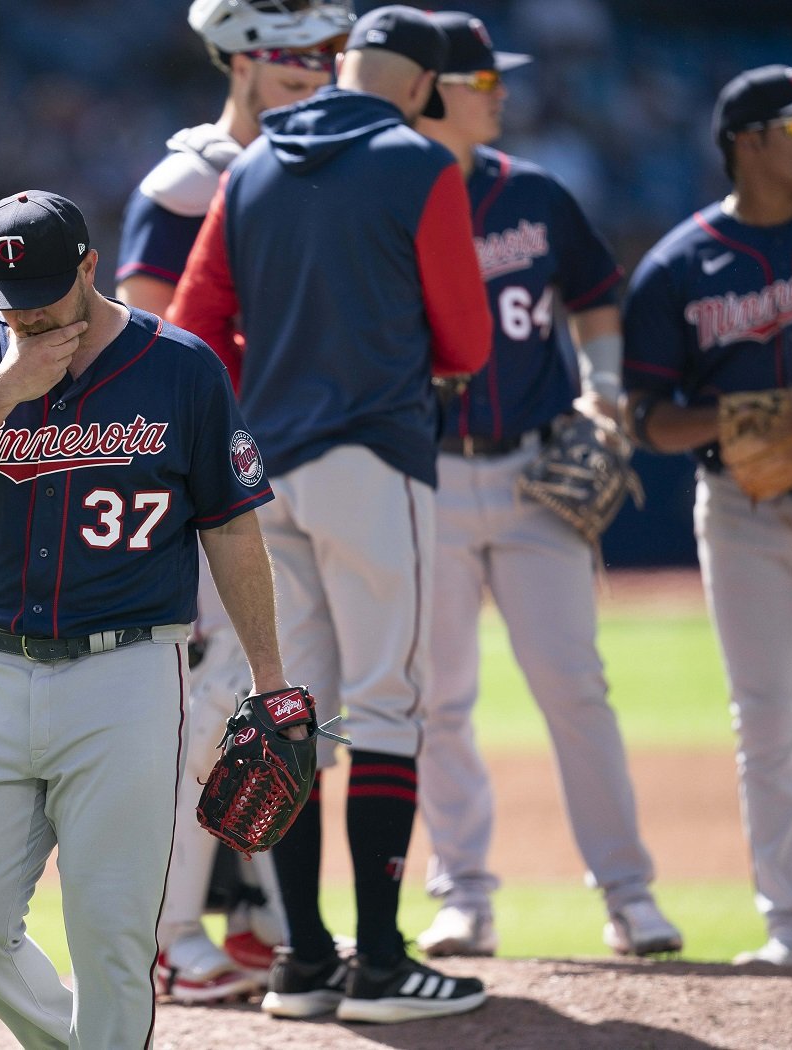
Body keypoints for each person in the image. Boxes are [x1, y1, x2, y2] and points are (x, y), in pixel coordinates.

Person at [0, 189, 288, 1048]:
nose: (27, 315)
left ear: (91, 269)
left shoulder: (180, 367)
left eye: (46, 297)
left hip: (127, 675)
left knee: (110, 932)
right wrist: (4, 388)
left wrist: (270, 680)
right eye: (10, 299)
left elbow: (234, 530)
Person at [170, 5, 493, 1024]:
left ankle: (306, 963)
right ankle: (386, 963)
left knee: (290, 714)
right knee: (391, 708)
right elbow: (470, 341)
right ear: (421, 86)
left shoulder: (252, 167)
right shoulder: (419, 165)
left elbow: (192, 329)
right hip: (374, 455)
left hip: (266, 470)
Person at [408, 11, 682, 961]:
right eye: (485, 81)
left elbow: (596, 294)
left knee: (576, 685)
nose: (502, 94)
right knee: (438, 697)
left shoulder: (535, 194)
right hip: (426, 475)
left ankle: (628, 891)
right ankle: (465, 897)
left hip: (535, 469)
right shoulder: (383, 199)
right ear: (434, 88)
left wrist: (604, 391)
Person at [117, 0, 354, 1004]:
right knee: (218, 704)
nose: (308, 67)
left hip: (308, 464)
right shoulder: (189, 180)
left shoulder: (332, 164)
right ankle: (169, 933)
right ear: (239, 58)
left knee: (295, 701)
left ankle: (267, 917)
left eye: (321, 53)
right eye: (286, 52)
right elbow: (145, 340)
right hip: (220, 481)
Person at [622, 65, 792, 969]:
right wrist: (742, 420)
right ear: (747, 142)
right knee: (764, 725)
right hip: (741, 512)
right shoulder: (678, 267)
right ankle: (791, 931)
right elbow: (649, 418)